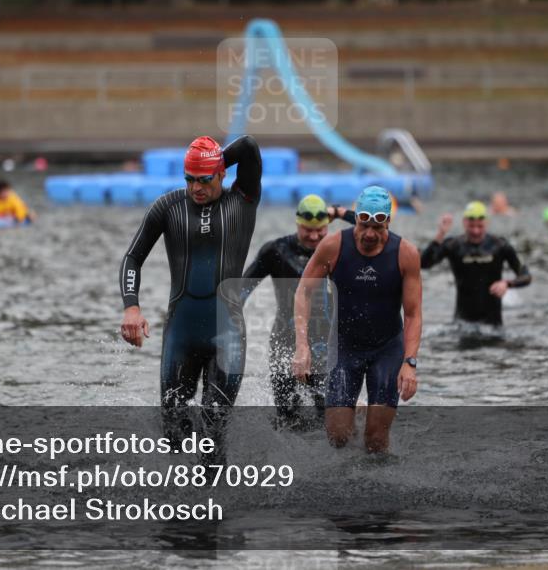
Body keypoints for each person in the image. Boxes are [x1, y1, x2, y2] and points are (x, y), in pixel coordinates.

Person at [119, 135, 261, 443]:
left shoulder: (243, 200)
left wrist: (212, 155)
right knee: (174, 437)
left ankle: (216, 491)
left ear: (222, 174)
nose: (196, 188)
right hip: (180, 336)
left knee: (213, 431)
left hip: (227, 336)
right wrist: (131, 307)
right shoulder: (168, 207)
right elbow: (132, 258)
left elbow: (248, 147)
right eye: (190, 179)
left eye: (204, 179)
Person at [292, 186, 422, 454]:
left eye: (378, 226)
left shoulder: (405, 254)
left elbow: (412, 314)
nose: (370, 234)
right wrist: (302, 346)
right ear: (356, 219)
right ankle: (357, 411)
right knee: (338, 437)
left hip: (387, 349)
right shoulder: (333, 246)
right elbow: (303, 292)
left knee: (375, 442)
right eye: (364, 224)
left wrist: (410, 363)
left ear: (388, 222)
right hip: (344, 347)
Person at [241, 194, 355, 427]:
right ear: (297, 224)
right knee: (287, 421)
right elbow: (241, 290)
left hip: (325, 347)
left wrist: (340, 212)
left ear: (328, 225)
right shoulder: (276, 250)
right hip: (285, 346)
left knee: (331, 421)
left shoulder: (336, 249)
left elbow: (376, 229)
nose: (314, 237)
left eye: (319, 230)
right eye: (307, 230)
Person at [420, 201, 531, 327]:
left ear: (487, 223)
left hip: (493, 326)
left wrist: (507, 284)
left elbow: (526, 276)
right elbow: (423, 263)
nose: (476, 231)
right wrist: (440, 234)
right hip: (462, 324)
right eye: (471, 226)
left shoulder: (499, 245)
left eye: (480, 226)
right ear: (464, 223)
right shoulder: (453, 245)